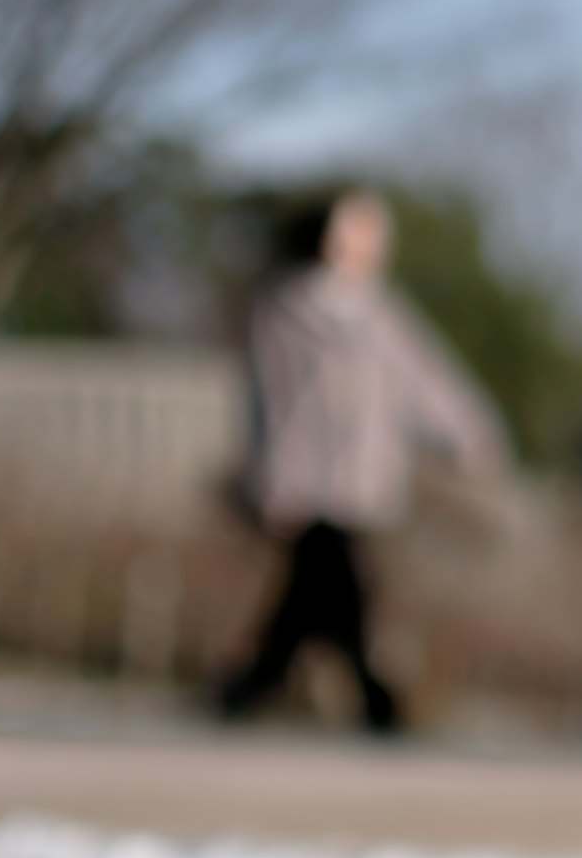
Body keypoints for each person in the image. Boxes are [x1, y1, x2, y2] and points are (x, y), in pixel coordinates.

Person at [215, 189, 507, 735]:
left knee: (311, 600)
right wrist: (271, 478)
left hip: (362, 478)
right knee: (344, 592)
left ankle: (247, 689)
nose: (372, 243)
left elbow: (426, 382)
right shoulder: (283, 311)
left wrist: (470, 434)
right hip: (301, 480)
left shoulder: (381, 314)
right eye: (359, 230)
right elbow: (267, 401)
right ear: (328, 234)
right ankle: (376, 705)